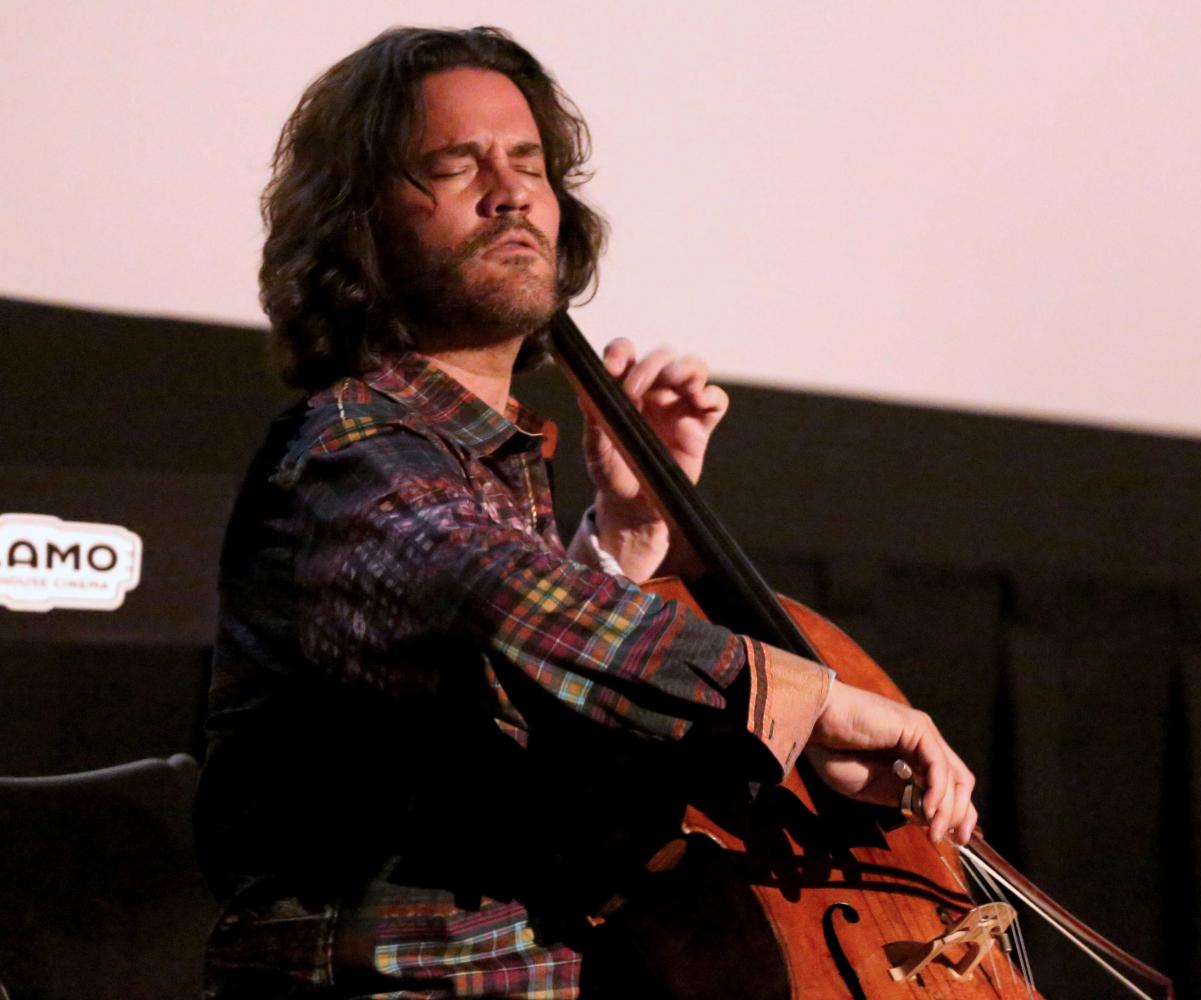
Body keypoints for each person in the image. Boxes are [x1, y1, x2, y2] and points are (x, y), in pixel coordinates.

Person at [195, 25, 977, 999]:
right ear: (359, 224)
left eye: (529, 162)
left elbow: (524, 676)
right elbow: (497, 592)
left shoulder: (477, 468)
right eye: (454, 163)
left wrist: (625, 531)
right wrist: (808, 701)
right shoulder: (349, 451)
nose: (510, 188)